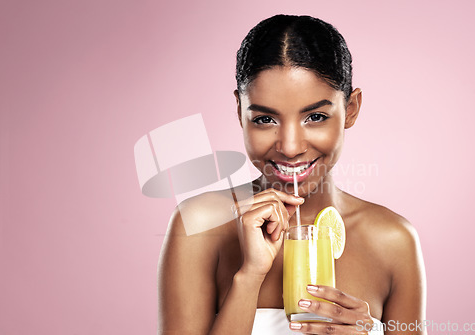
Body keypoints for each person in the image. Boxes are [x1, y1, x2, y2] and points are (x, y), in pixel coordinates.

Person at [157, 14, 426, 335]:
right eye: (265, 120)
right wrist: (249, 276)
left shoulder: (393, 240)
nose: (290, 146)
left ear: (351, 109)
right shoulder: (199, 225)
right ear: (240, 111)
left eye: (315, 116)